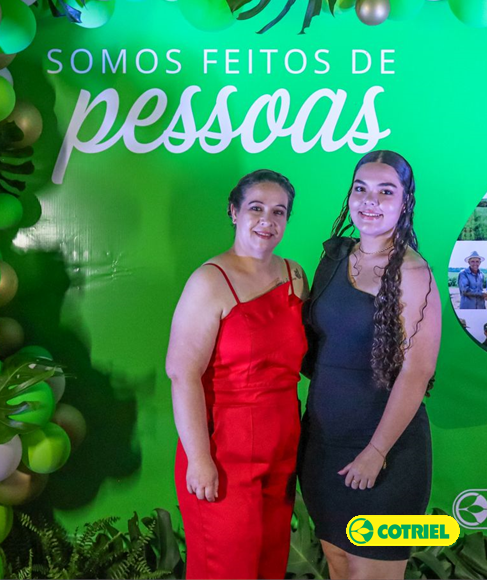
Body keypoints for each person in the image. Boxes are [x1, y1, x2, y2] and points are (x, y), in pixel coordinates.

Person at [299, 151, 440, 580]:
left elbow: (417, 372)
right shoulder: (334, 257)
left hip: (385, 454)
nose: (369, 201)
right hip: (322, 448)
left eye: (385, 191)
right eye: (360, 188)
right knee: (339, 566)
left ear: (405, 201)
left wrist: (376, 452)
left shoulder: (413, 272)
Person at [168, 170, 308, 580]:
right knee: (226, 569)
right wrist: (199, 459)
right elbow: (182, 373)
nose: (267, 220)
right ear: (234, 212)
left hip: (281, 451)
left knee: (269, 567)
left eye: (279, 212)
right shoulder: (209, 280)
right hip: (223, 454)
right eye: (256, 208)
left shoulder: (295, 276)